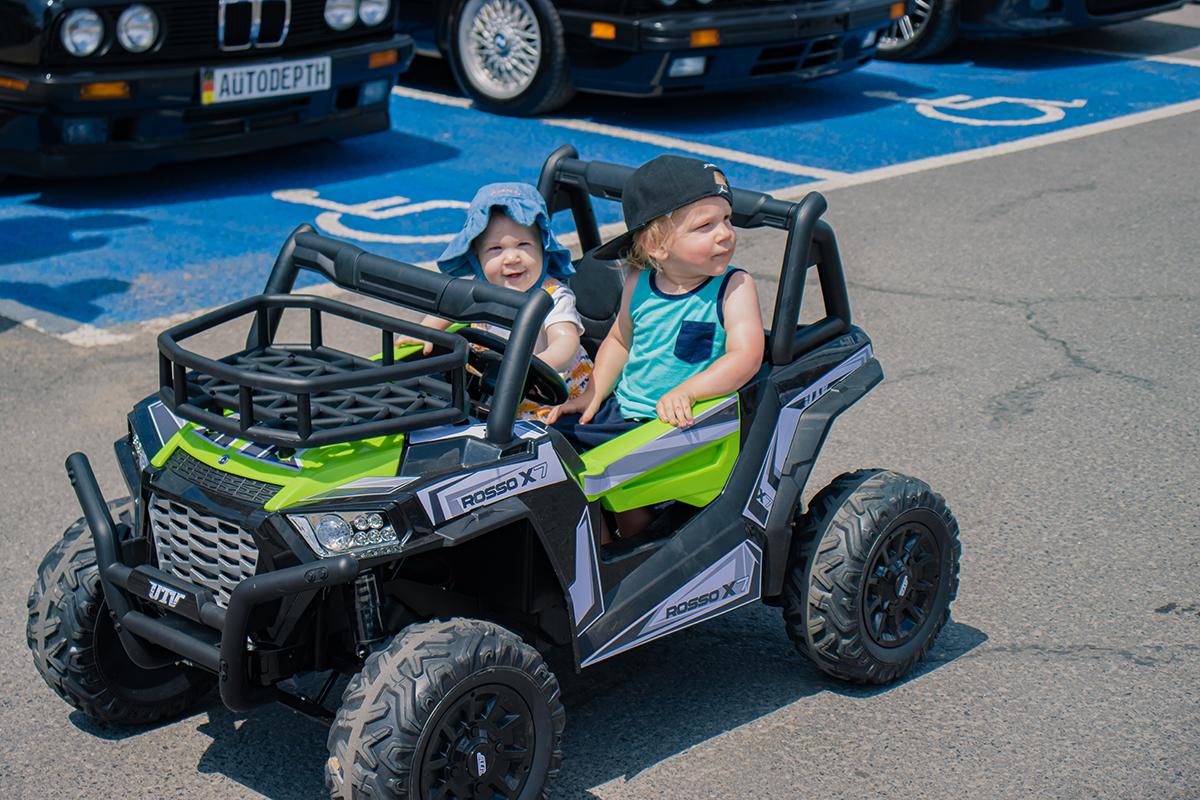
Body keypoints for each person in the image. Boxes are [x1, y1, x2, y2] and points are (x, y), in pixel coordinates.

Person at [547, 155, 764, 541]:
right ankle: (595, 546)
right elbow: (619, 340)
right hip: (626, 411)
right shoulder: (640, 282)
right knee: (550, 452)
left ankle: (633, 553)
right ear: (657, 246)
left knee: (613, 484)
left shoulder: (733, 287)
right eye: (706, 226)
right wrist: (592, 392)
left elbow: (746, 356)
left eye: (727, 220)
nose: (725, 234)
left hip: (680, 421)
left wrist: (691, 389)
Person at [413, 182, 592, 419]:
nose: (511, 258)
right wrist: (426, 331)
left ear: (543, 247)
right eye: (495, 249)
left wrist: (532, 365)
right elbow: (447, 309)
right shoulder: (479, 287)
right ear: (477, 256)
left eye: (523, 245)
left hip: (550, 402)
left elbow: (565, 341)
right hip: (490, 393)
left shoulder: (553, 296)